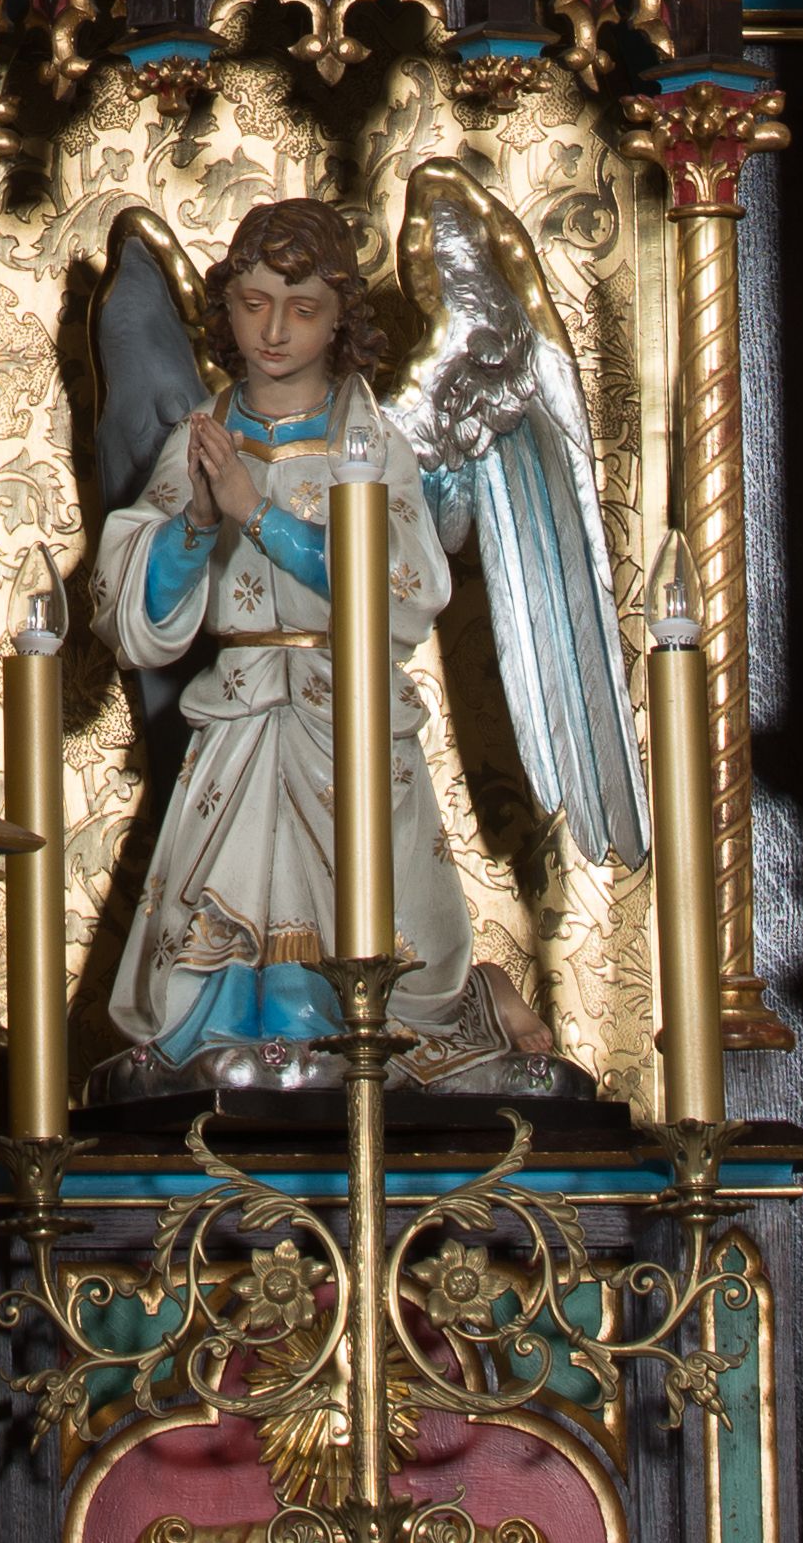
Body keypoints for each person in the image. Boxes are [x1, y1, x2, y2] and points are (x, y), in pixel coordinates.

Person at [92, 199, 543, 1086]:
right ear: (225, 306)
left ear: (339, 319)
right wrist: (195, 523)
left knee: (357, 942)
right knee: (215, 953)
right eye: (253, 303)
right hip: (240, 712)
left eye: (301, 309)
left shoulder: (365, 440)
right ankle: (235, 1040)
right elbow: (131, 607)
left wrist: (256, 514)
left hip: (345, 715)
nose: (273, 331)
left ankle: (416, 1015)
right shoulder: (202, 434)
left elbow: (402, 584)